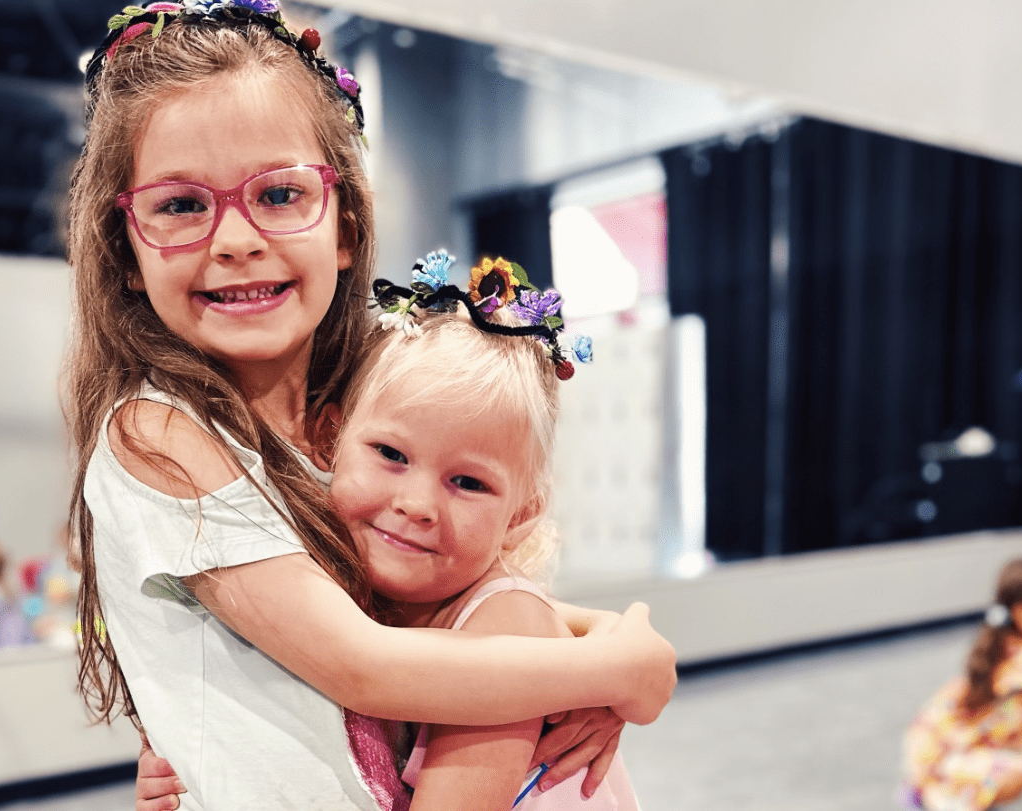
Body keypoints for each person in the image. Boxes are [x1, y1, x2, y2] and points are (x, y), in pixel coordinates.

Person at [67, 2, 675, 809]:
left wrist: (587, 651)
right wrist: (614, 669)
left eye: (279, 194)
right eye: (181, 205)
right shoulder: (161, 434)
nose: (235, 239)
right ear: (128, 252)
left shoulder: (345, 419)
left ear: (346, 226)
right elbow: (363, 662)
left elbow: (432, 604)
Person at [136, 262, 640, 810]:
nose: (418, 505)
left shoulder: (509, 626)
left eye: (468, 483)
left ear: (520, 515)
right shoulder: (343, 604)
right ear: (330, 438)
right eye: (391, 455)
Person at [903, 558, 1022, 810]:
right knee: (1013, 774)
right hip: (959, 754)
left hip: (990, 742)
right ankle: (933, 797)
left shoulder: (1005, 649)